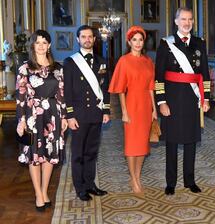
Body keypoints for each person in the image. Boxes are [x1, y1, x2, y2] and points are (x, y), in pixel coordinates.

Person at [155, 7, 210, 195]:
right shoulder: (166, 44)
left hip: (192, 99)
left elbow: (205, 74)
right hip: (171, 99)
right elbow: (158, 77)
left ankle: (190, 180)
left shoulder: (199, 43)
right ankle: (170, 182)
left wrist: (206, 98)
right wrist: (161, 101)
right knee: (171, 141)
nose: (187, 23)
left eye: (190, 19)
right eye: (183, 19)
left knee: (191, 141)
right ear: (176, 21)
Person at [16, 30, 68, 211]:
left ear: (49, 45)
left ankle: (45, 191)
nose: (40, 45)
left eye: (44, 42)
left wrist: (64, 118)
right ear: (32, 45)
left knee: (49, 154)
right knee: (33, 156)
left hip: (53, 115)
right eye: (37, 42)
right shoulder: (24, 68)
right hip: (31, 116)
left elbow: (62, 95)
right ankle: (38, 193)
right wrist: (21, 121)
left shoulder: (58, 68)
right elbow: (20, 96)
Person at [63, 25, 110, 201]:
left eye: (90, 37)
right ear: (78, 39)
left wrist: (106, 110)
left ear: (94, 39)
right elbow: (67, 91)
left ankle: (90, 184)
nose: (87, 40)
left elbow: (104, 89)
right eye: (83, 37)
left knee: (91, 151)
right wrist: (69, 115)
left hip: (96, 113)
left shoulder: (102, 61)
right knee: (78, 154)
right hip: (79, 115)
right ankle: (80, 187)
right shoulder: (70, 62)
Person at [109, 26, 157, 195]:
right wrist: (124, 111)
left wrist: (154, 109)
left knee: (143, 144)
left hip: (145, 106)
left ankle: (137, 176)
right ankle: (133, 179)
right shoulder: (124, 61)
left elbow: (152, 87)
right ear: (129, 42)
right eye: (134, 39)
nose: (138, 43)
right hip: (131, 104)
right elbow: (121, 89)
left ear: (144, 42)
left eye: (140, 39)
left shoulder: (148, 61)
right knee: (131, 144)